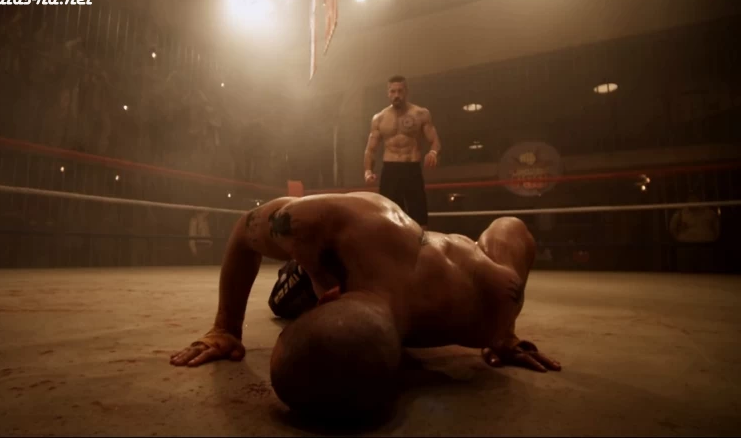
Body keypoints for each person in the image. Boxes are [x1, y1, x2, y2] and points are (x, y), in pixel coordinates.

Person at [169, 192, 561, 419]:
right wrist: (225, 326)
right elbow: (511, 228)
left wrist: (503, 334)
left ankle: (299, 277)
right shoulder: (491, 309)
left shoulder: (490, 314)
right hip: (334, 249)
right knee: (287, 287)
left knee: (288, 302)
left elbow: (510, 227)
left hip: (340, 254)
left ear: (326, 296)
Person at [363, 75, 440, 229]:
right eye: (393, 91)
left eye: (400, 91)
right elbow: (370, 149)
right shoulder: (379, 118)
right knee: (388, 218)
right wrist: (368, 171)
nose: (396, 95)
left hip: (411, 168)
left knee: (419, 217)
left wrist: (433, 153)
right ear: (388, 93)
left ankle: (420, 244)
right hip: (390, 170)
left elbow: (435, 141)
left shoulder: (420, 113)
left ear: (406, 92)